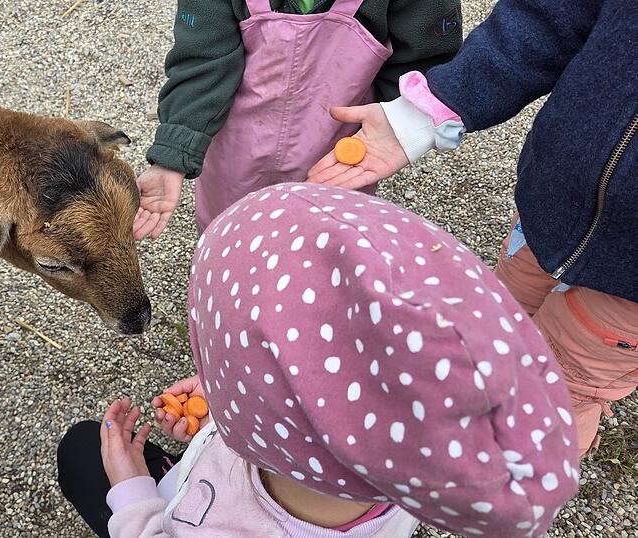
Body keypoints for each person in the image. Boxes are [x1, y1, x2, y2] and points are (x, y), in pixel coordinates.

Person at [59, 183, 579, 537]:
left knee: (82, 451)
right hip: (228, 462)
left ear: (269, 419)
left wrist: (132, 494)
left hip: (173, 513)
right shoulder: (411, 464)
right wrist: (221, 421)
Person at [307, 0, 638, 458]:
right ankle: (472, 415)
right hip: (549, 210)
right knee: (497, 326)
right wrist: (419, 115)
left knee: (562, 390)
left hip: (628, 285)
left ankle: (523, 480)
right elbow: (547, 16)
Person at [131, 0, 463, 240]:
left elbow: (425, 60)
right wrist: (172, 155)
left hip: (338, 149)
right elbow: (201, 62)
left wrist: (400, 122)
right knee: (234, 234)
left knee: (323, 238)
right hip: (236, 154)